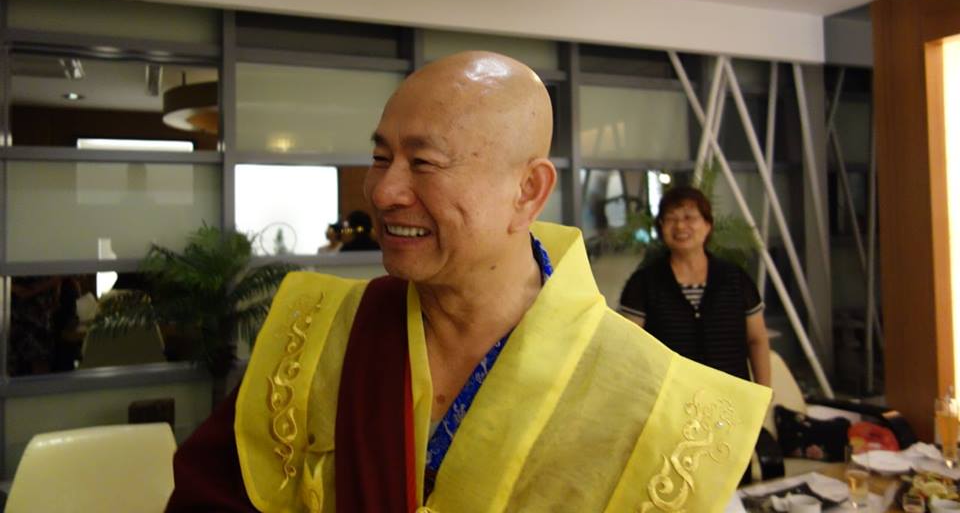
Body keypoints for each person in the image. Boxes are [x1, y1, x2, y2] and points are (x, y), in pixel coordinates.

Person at [166, 52, 771, 512]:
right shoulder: (320, 334)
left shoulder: (656, 402)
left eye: (424, 163)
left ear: (528, 190)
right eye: (380, 158)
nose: (384, 191)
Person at [619, 186, 772, 386]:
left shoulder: (735, 278)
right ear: (661, 227)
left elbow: (757, 340)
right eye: (671, 219)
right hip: (671, 396)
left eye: (689, 217)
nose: (680, 226)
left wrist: (764, 393)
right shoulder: (643, 283)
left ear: (708, 224)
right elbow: (630, 347)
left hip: (730, 396)